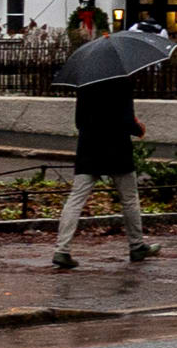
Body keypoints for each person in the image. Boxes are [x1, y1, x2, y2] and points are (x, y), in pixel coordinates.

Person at [50, 14, 155, 268]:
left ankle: (61, 250)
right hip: (117, 148)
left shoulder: (86, 83)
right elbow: (126, 119)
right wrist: (137, 128)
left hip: (89, 147)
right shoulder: (122, 83)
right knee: (129, 198)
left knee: (76, 199)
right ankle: (136, 245)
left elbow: (79, 121)